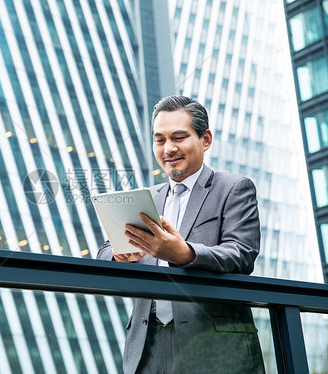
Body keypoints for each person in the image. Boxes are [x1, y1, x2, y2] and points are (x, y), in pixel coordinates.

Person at [97, 96, 265, 373]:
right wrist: (118, 254)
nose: (168, 148)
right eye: (160, 140)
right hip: (147, 345)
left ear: (205, 140)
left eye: (178, 137)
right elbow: (104, 251)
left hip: (213, 342)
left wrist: (185, 254)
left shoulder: (234, 188)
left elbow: (242, 254)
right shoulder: (145, 198)